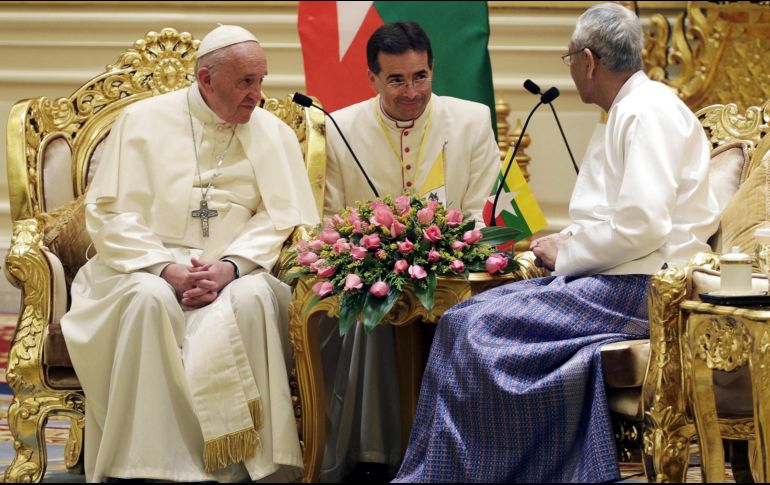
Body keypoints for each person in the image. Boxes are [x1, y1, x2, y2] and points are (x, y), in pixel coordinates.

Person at [394, 4, 721, 482]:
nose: (568, 67)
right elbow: (621, 217)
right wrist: (566, 239)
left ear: (589, 60)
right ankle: (442, 472)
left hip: (647, 289)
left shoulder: (647, 113)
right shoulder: (630, 107)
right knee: (459, 318)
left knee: (476, 327)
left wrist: (566, 253)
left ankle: (472, 473)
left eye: (569, 57)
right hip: (620, 277)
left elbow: (644, 226)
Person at [60, 25, 319, 483]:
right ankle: (147, 465)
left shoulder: (272, 133)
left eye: (261, 80)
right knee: (147, 300)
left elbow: (281, 219)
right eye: (245, 82)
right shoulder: (142, 123)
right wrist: (166, 269)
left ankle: (250, 464)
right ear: (206, 79)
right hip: (140, 266)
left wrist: (231, 267)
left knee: (254, 298)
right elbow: (110, 217)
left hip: (235, 268)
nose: (257, 95)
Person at [320, 21, 500, 481]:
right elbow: (330, 222)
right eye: (396, 80)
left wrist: (453, 252)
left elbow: (491, 213)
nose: (411, 91)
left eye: (420, 77)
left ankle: (457, 454)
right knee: (371, 309)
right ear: (373, 79)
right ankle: (374, 458)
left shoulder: (472, 119)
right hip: (370, 277)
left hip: (454, 276)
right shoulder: (340, 127)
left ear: (432, 70)